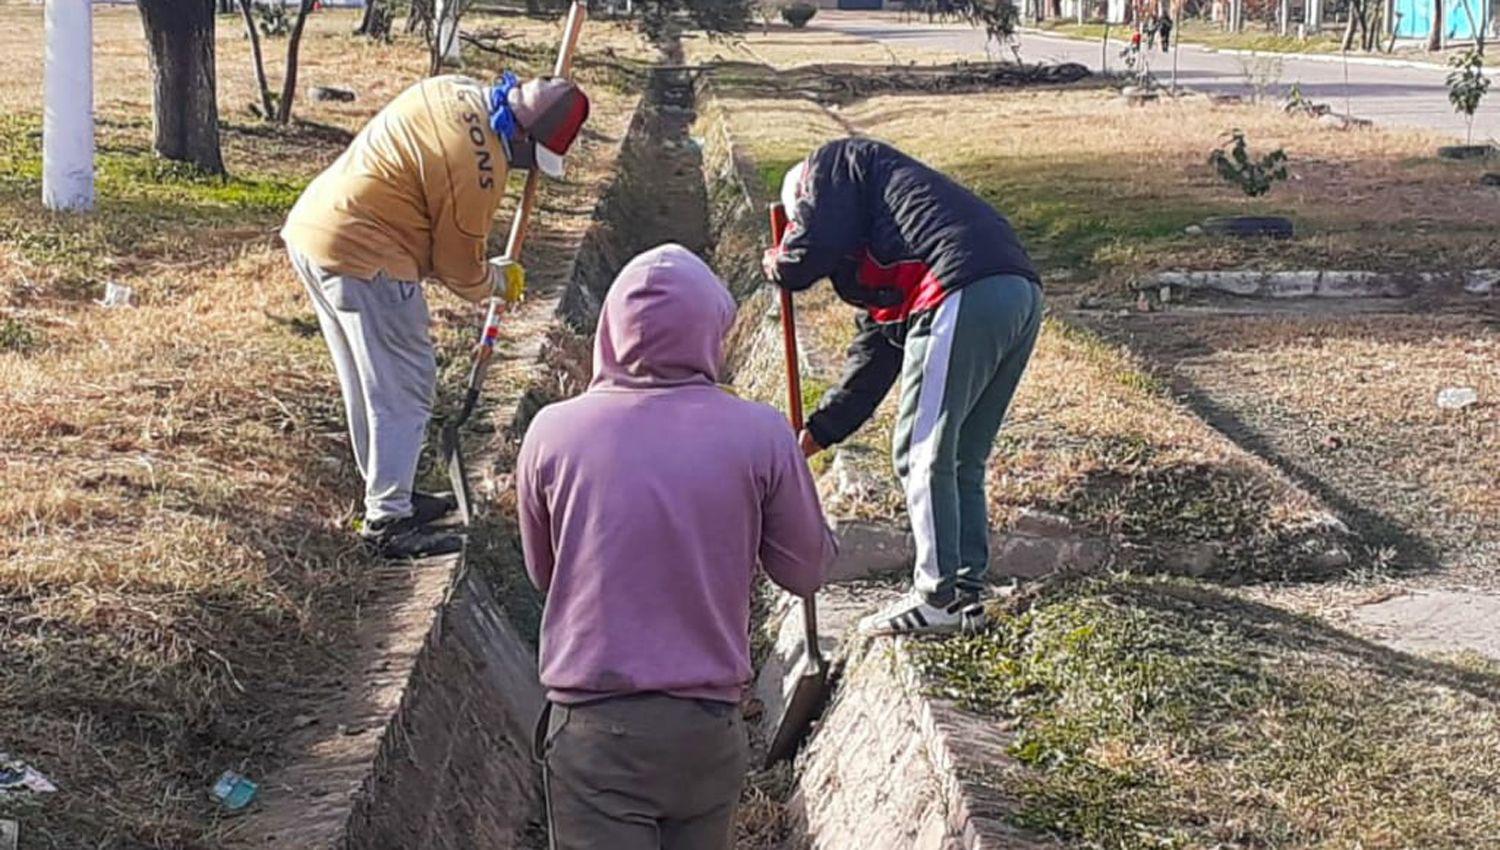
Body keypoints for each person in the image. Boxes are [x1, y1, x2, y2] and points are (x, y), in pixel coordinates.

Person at [517, 244, 836, 850]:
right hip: (706, 732)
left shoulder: (551, 431)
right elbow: (806, 569)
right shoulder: (761, 432)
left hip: (594, 732)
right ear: (711, 331)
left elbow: (544, 573)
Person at [282, 72, 590, 558]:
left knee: (368, 381)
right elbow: (459, 273)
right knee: (406, 384)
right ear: (524, 139)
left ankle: (388, 493)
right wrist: (497, 280)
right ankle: (387, 521)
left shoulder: (452, 87)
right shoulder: (480, 170)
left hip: (314, 231)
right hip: (368, 257)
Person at [764, 138, 1043, 637]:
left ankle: (936, 596)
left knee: (920, 451)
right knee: (960, 455)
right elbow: (870, 367)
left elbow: (805, 253)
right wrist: (811, 438)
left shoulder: (833, 164)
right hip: (1015, 292)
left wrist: (781, 264)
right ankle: (966, 593)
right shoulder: (889, 254)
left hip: (962, 287)